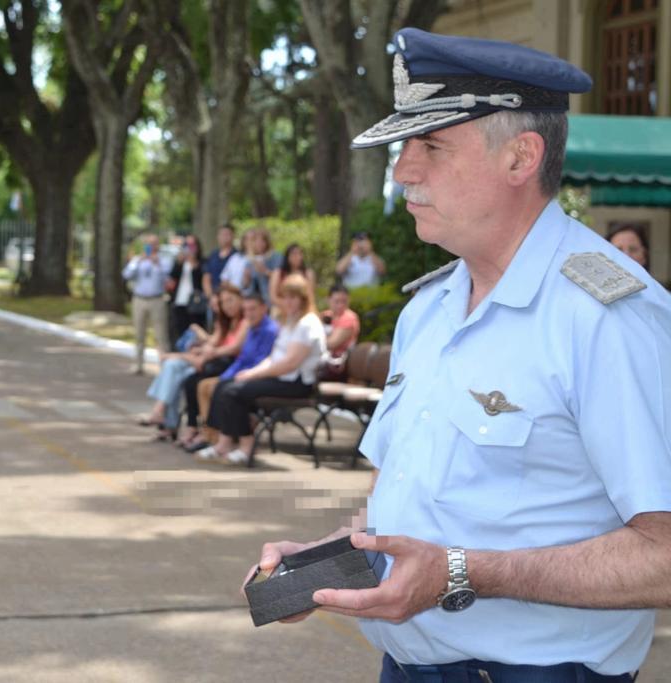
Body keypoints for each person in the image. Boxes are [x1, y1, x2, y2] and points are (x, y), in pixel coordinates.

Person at [250, 27, 671, 682]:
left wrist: (463, 572)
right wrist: (325, 561)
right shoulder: (431, 308)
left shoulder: (607, 317)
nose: (402, 170)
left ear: (520, 158)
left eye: (432, 146)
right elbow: (405, 507)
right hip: (411, 667)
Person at [199, 274, 326, 465]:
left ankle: (246, 446)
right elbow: (274, 357)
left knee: (234, 392)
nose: (288, 302)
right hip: (282, 378)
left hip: (297, 383)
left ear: (303, 298)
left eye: (293, 297)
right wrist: (251, 373)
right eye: (285, 297)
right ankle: (223, 442)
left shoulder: (308, 324)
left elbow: (290, 363)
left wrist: (254, 374)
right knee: (224, 385)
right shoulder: (291, 322)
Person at [140, 284, 247, 440]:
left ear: (240, 299)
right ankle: (165, 416)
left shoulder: (244, 322)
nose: (226, 306)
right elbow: (213, 344)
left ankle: (168, 420)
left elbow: (233, 348)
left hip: (223, 365)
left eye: (229, 301)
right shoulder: (224, 323)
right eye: (223, 302)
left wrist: (203, 353)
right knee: (174, 370)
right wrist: (201, 351)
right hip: (210, 361)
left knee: (182, 375)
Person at [181, 291, 279, 452]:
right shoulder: (251, 328)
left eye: (252, 309)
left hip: (257, 377)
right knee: (205, 385)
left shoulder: (270, 330)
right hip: (241, 373)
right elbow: (242, 360)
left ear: (263, 308)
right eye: (246, 310)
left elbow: (259, 362)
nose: (248, 314)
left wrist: (229, 378)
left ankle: (219, 437)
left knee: (218, 388)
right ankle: (211, 434)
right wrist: (225, 377)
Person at [123, 233, 171, 374]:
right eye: (148, 243)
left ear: (158, 245)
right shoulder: (138, 260)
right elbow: (126, 275)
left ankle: (164, 366)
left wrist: (157, 263)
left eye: (154, 243)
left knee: (161, 334)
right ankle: (138, 364)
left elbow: (168, 278)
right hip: (139, 299)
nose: (151, 246)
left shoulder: (163, 260)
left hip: (157, 300)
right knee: (139, 334)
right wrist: (138, 261)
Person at [168, 234, 207, 342]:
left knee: (194, 333)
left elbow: (202, 281)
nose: (189, 248)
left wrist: (194, 264)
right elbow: (172, 279)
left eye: (192, 245)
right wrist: (179, 263)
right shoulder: (180, 263)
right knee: (179, 330)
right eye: (187, 245)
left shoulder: (202, 263)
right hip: (180, 301)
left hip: (195, 303)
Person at [320, 283, 360, 380]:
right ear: (328, 300)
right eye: (336, 301)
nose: (340, 305)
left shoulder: (349, 318)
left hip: (337, 365)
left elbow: (331, 344)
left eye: (344, 302)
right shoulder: (325, 315)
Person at [269, 243, 317, 312]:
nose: (297, 256)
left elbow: (310, 296)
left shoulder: (308, 273)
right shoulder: (278, 273)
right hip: (281, 308)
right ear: (287, 256)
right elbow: (273, 296)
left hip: (302, 309)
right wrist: (288, 305)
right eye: (294, 254)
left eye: (299, 253)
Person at [241, 227, 282, 303]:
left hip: (271, 299)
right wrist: (246, 278)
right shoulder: (250, 260)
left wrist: (265, 271)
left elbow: (282, 276)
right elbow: (245, 285)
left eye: (262, 241)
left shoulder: (275, 256)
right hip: (254, 300)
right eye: (256, 241)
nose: (259, 244)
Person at [201, 223, 237, 298]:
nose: (225, 237)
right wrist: (210, 296)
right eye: (222, 234)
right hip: (213, 297)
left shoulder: (237, 256)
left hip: (231, 297)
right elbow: (206, 277)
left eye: (227, 234)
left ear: (233, 236)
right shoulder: (213, 255)